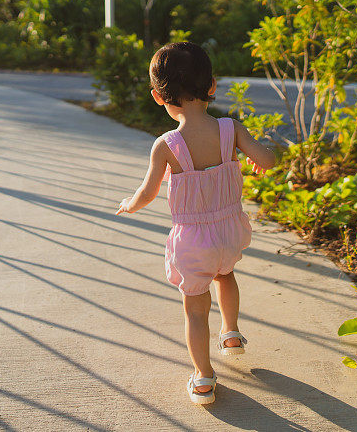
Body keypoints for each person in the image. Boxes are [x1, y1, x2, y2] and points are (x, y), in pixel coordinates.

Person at [116, 42, 276, 404]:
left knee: (194, 306)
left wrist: (129, 204)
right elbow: (268, 161)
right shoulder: (230, 128)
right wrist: (254, 159)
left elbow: (147, 192)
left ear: (158, 96)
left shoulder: (166, 145)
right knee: (225, 274)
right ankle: (232, 333)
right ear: (212, 86)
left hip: (193, 240)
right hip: (230, 230)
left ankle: (203, 376)